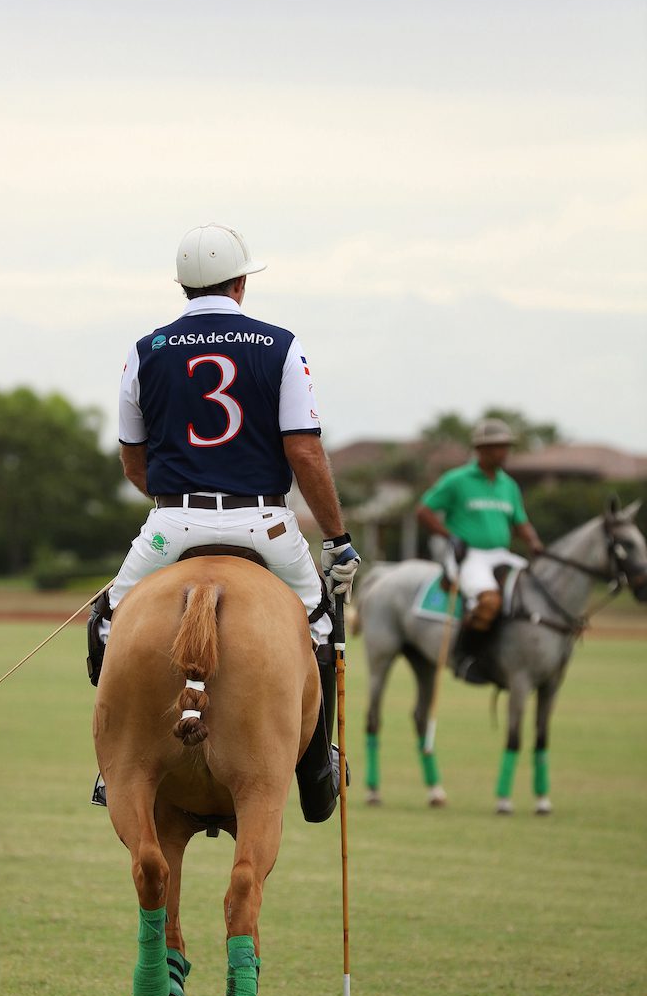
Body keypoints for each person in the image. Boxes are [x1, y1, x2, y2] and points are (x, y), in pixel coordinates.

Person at [88, 223, 360, 822]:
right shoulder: (281, 346)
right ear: (241, 282)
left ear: (183, 284)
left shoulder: (146, 349)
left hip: (172, 523)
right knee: (322, 628)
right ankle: (316, 771)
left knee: (108, 624)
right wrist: (338, 539)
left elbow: (134, 460)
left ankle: (115, 767)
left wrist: (172, 504)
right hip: (266, 524)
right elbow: (306, 452)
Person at [415, 417, 544, 683]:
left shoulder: (508, 485)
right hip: (469, 555)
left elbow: (521, 522)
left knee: (535, 588)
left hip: (501, 554)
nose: (505, 452)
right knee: (489, 602)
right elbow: (424, 511)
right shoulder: (457, 480)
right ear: (481, 449)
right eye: (499, 447)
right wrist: (449, 536)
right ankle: (466, 658)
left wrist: (534, 543)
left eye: (507, 446)